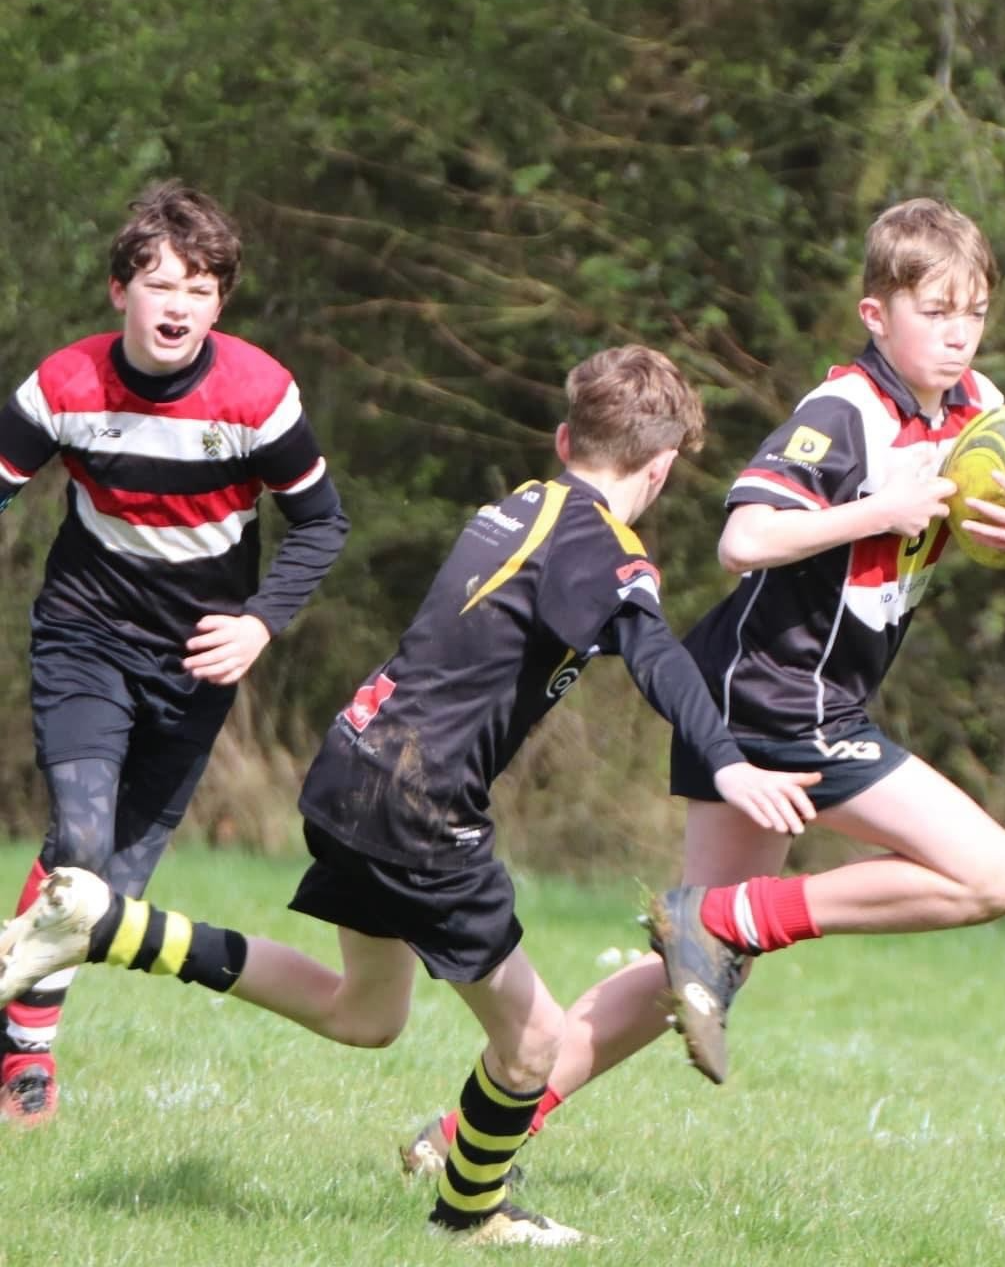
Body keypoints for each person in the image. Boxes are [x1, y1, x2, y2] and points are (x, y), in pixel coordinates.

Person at [0, 345, 818, 1244]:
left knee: (366, 1013)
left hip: (351, 763)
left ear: (562, 438)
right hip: (420, 808)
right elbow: (658, 657)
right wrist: (731, 763)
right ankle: (470, 1216)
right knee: (534, 1044)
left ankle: (104, 926)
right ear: (660, 471)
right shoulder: (606, 551)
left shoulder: (518, 507)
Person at [400, 195, 1005, 1170]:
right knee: (994, 872)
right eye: (934, 310)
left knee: (690, 969)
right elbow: (743, 540)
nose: (957, 331)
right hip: (775, 697)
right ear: (874, 314)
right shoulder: (844, 411)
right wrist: (879, 509)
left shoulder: (986, 417)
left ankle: (466, 1135)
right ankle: (723, 922)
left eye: (971, 310)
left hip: (785, 699)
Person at [0, 180, 350, 1124]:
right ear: (121, 291)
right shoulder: (63, 386)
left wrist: (260, 622)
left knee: (113, 892)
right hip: (85, 630)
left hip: (198, 655)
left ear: (220, 303)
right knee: (77, 836)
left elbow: (321, 524)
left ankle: (17, 981)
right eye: (161, 284)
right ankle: (26, 1058)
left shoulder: (259, 394)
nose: (179, 306)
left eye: (199, 289)